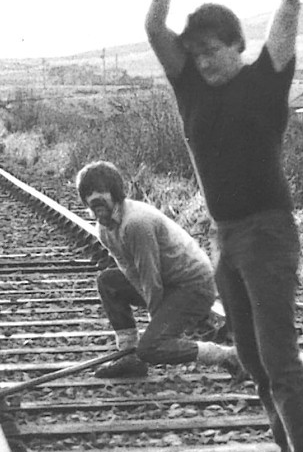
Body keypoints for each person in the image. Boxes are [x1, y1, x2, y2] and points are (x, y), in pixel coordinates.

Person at [143, 0, 303, 452]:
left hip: (270, 234)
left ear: (237, 46)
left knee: (279, 358)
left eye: (213, 49)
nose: (203, 59)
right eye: (195, 51)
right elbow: (152, 25)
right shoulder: (191, 89)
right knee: (253, 360)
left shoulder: (265, 79)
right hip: (225, 237)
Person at [75, 160, 243, 380]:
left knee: (151, 348)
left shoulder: (136, 223)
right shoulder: (105, 229)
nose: (94, 200)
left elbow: (150, 278)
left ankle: (228, 355)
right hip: (168, 282)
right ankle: (127, 356)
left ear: (115, 193)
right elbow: (130, 273)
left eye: (100, 194)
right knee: (109, 282)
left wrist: (157, 326)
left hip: (192, 286)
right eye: (88, 195)